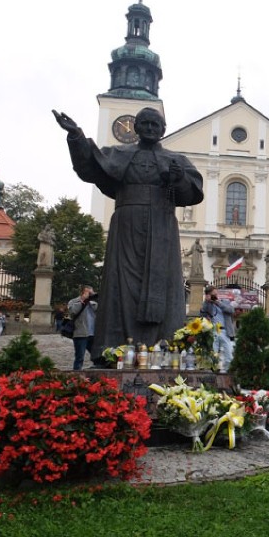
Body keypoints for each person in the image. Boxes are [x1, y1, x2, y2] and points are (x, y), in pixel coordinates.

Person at [53, 107, 203, 358]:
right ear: (136, 127)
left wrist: (177, 179)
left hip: (162, 226)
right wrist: (76, 136)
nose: (151, 129)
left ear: (163, 130)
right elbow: (90, 167)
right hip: (126, 225)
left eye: (156, 125)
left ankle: (164, 347)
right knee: (120, 283)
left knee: (164, 283)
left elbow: (193, 192)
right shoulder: (119, 153)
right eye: (146, 124)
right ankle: (113, 348)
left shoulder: (176, 160)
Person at [200, 286, 235, 367]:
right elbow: (202, 315)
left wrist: (217, 303)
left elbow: (231, 310)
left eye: (215, 294)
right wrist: (206, 301)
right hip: (213, 331)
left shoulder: (224, 301)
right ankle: (213, 371)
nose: (214, 296)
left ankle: (227, 372)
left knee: (229, 355)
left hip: (225, 331)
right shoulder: (207, 304)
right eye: (212, 295)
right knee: (213, 354)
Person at [67, 286, 98, 370]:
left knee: (97, 355)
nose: (90, 294)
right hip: (80, 333)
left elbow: (100, 311)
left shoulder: (93, 302)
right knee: (80, 356)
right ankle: (76, 374)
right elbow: (72, 311)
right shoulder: (73, 301)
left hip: (93, 333)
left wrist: (94, 299)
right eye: (88, 292)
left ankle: (97, 371)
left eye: (91, 292)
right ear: (82, 292)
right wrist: (82, 301)